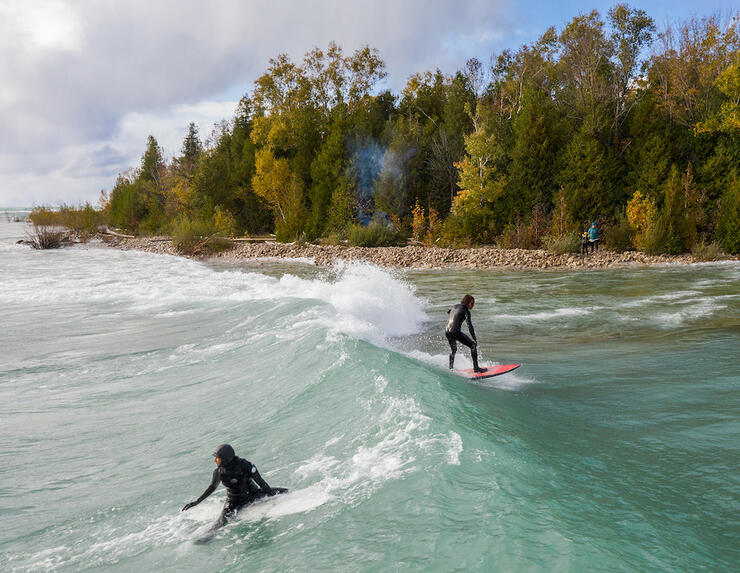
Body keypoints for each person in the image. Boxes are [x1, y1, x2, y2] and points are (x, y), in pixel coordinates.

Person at [181, 444, 285, 530]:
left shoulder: (246, 465)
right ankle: (205, 538)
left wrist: (272, 495)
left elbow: (261, 482)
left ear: (225, 459)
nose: (215, 461)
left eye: (217, 458)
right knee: (219, 523)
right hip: (233, 502)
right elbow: (212, 487)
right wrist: (197, 502)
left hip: (253, 494)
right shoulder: (219, 472)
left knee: (284, 491)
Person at [446, 294, 486, 373]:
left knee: (453, 350)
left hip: (447, 331)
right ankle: (476, 368)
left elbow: (449, 311)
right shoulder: (466, 311)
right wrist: (474, 338)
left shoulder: (455, 306)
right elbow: (469, 325)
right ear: (467, 303)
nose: (473, 305)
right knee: (473, 345)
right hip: (455, 332)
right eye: (472, 303)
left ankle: (450, 368)